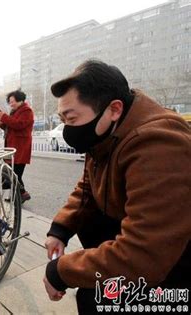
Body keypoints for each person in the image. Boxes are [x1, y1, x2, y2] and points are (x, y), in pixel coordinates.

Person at [43, 60, 191, 314]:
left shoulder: (159, 146)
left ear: (114, 109)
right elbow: (87, 187)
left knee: (95, 299)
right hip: (146, 251)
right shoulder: (106, 133)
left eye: (72, 118)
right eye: (62, 119)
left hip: (175, 271)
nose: (68, 129)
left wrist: (62, 271)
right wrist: (61, 229)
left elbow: (143, 254)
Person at [0, 89, 34, 203]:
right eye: (10, 102)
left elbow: (18, 125)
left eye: (13, 101)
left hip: (20, 147)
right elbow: (10, 127)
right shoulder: (14, 112)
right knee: (12, 172)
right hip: (12, 146)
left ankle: (22, 194)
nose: (11, 104)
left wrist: (4, 117)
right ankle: (17, 196)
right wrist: (1, 120)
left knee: (15, 173)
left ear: (20, 100)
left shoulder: (27, 111)